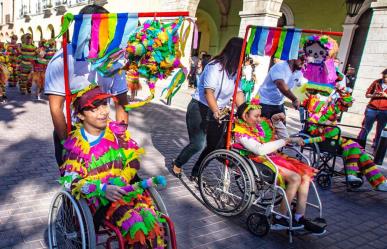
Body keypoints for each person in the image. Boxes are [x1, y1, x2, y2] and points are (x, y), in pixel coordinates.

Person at [60, 84, 167, 247]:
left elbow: (133, 160)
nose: (103, 111)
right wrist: (102, 189)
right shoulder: (77, 145)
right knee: (135, 226)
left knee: (152, 222)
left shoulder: (117, 133)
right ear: (81, 115)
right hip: (99, 200)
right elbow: (71, 181)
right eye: (94, 108)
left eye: (104, 104)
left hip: (127, 191)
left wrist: (122, 180)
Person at [45, 4, 129, 166]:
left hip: (104, 131)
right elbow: (56, 108)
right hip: (71, 132)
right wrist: (68, 146)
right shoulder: (62, 58)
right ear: (85, 29)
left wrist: (123, 140)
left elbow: (122, 103)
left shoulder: (114, 59)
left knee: (116, 184)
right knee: (80, 187)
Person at [234, 99, 325, 233]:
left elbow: (285, 139)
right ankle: (279, 217)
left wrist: (277, 122)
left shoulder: (261, 125)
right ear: (245, 116)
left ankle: (299, 216)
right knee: (295, 178)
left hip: (273, 158)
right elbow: (259, 150)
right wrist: (285, 141)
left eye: (260, 115)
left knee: (305, 176)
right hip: (259, 161)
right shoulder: (241, 132)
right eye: (256, 116)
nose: (259, 119)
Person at [171, 37, 245, 180]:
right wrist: (216, 111)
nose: (244, 57)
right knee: (198, 144)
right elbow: (208, 92)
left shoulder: (235, 71)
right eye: (242, 54)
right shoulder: (214, 66)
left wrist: (245, 111)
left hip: (220, 111)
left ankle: (196, 171)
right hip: (200, 108)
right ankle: (178, 162)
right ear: (236, 53)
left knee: (213, 146)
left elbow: (239, 92)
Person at [303, 90, 387, 191]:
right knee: (355, 147)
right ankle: (374, 181)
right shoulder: (319, 114)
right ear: (338, 103)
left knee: (359, 151)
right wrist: (321, 131)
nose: (346, 109)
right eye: (345, 106)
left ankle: (379, 182)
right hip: (327, 142)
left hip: (337, 140)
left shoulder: (332, 113)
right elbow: (313, 131)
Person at [258, 55, 305, 119]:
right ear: (293, 57)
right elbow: (280, 84)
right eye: (302, 59)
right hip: (265, 103)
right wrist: (294, 99)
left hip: (279, 104)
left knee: (281, 129)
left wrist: (314, 96)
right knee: (265, 128)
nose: (304, 62)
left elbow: (302, 87)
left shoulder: (299, 73)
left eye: (306, 60)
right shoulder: (280, 67)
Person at [357, 69, 387, 150]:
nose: (385, 79)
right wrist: (373, 95)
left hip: (384, 111)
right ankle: (359, 146)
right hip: (372, 108)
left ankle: (376, 149)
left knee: (380, 130)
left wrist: (385, 95)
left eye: (386, 78)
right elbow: (367, 95)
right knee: (365, 128)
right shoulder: (376, 82)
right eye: (384, 77)